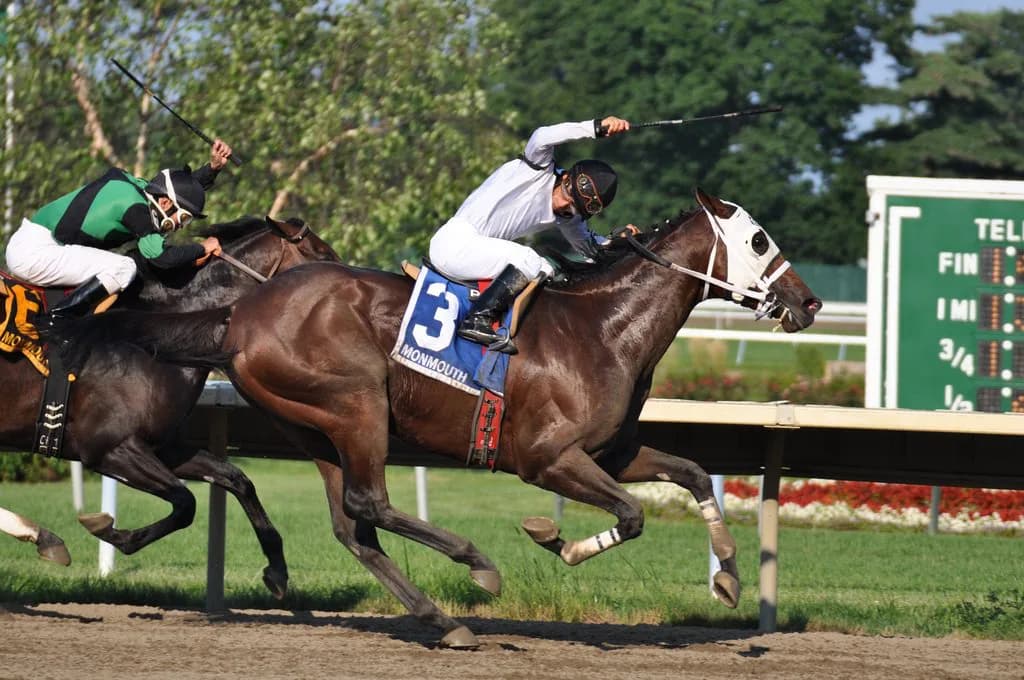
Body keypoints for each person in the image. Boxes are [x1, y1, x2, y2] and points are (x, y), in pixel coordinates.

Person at [429, 116, 631, 353]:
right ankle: (477, 320)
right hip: (455, 243)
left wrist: (622, 244)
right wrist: (593, 128)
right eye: (567, 192)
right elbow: (542, 136)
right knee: (530, 260)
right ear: (565, 177)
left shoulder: (566, 217)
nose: (563, 204)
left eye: (574, 207)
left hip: (474, 250)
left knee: (547, 269)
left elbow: (591, 250)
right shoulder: (538, 167)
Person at [4, 139, 233, 322]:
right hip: (35, 254)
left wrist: (212, 168)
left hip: (32, 242)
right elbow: (161, 258)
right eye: (183, 217)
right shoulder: (136, 210)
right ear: (164, 203)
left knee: (120, 264)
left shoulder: (142, 190)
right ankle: (58, 321)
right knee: (124, 268)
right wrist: (201, 247)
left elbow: (180, 189)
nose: (181, 225)